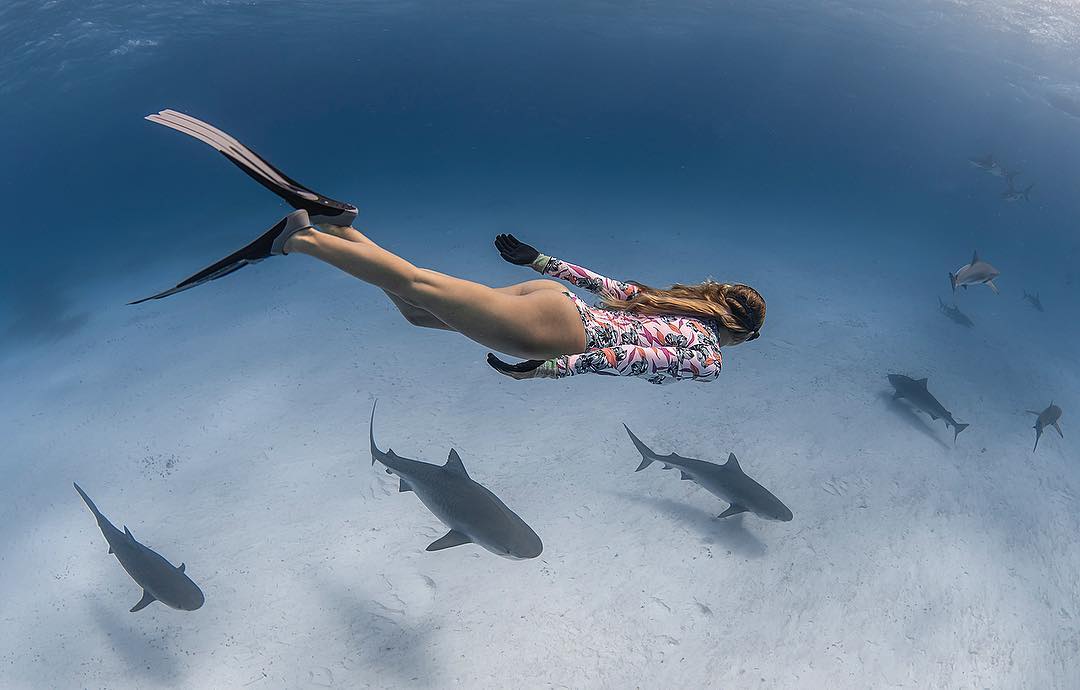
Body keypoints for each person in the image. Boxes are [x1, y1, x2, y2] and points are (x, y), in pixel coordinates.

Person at [281, 218, 765, 384]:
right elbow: (627, 358)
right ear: (741, 332)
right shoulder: (710, 359)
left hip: (558, 302)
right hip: (551, 333)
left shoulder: (676, 305)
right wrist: (547, 369)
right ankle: (301, 239)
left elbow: (612, 288)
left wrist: (540, 262)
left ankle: (344, 230)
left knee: (417, 312)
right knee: (417, 285)